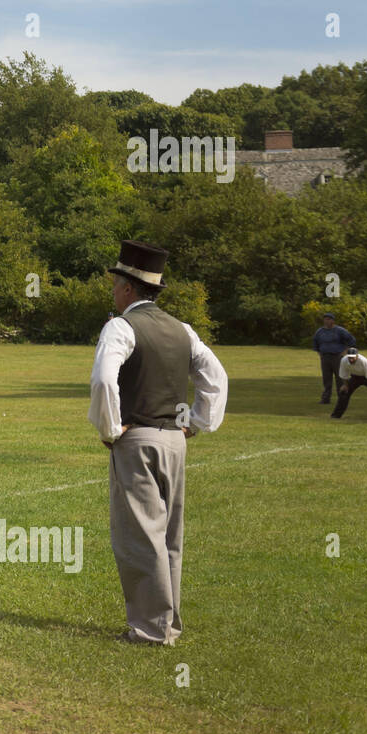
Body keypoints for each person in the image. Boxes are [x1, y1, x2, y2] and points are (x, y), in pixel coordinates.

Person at [89, 240, 228, 646]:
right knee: (169, 538)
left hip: (139, 438)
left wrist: (111, 429)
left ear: (129, 288)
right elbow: (215, 378)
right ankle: (166, 626)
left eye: (116, 284)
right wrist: (196, 423)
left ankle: (151, 631)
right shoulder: (182, 330)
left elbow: (102, 379)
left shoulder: (121, 326)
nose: (113, 291)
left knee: (139, 537)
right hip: (175, 441)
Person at [313, 313, 356, 404]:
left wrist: (345, 352)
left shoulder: (340, 330)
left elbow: (352, 340)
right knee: (326, 379)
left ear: (333, 320)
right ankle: (325, 399)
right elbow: (315, 343)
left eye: (329, 319)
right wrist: (320, 353)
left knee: (340, 378)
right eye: (325, 319)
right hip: (325, 358)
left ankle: (342, 398)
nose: (326, 321)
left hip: (337, 357)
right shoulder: (320, 331)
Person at [330, 348, 367, 419]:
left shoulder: (364, 361)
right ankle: (336, 415)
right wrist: (346, 385)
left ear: (357, 356)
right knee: (344, 392)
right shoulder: (344, 360)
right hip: (355, 377)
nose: (351, 359)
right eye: (349, 358)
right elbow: (343, 374)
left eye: (353, 358)